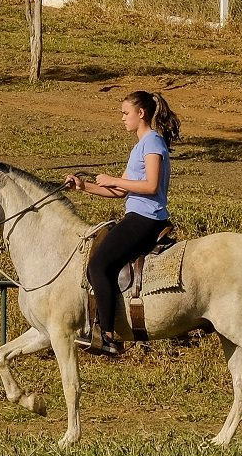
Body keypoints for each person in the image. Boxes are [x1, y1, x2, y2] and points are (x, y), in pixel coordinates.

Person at [66, 90, 179, 357]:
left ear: (141, 113)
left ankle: (107, 336)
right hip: (137, 216)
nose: (123, 118)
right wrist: (84, 186)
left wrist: (114, 179)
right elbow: (120, 192)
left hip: (147, 218)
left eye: (126, 113)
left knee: (98, 265)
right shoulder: (140, 146)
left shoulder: (153, 143)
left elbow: (151, 186)